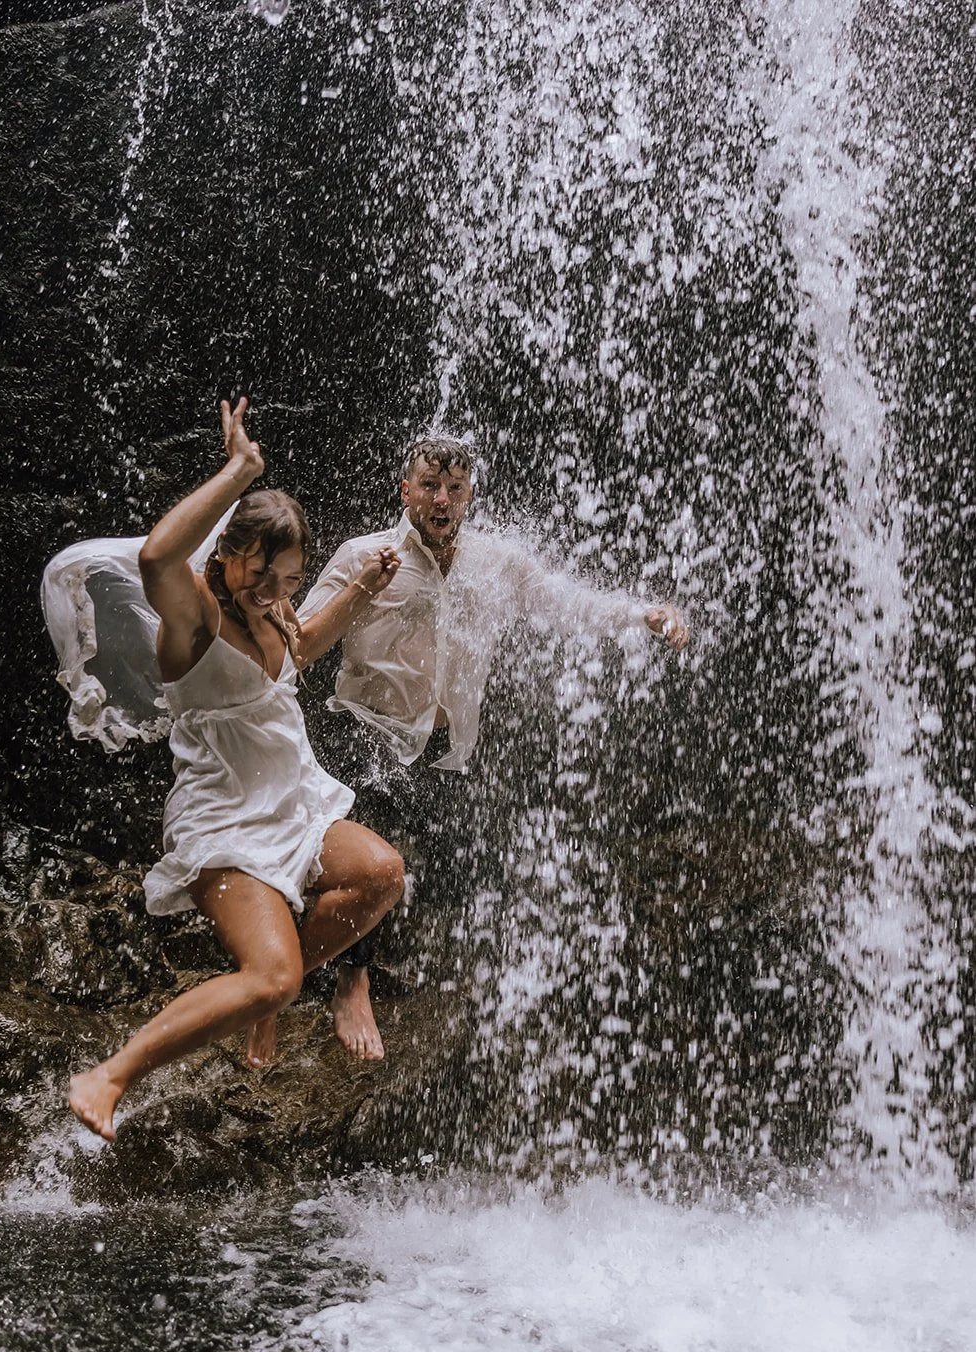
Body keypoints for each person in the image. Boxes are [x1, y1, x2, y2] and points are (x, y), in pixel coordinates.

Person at [68, 399, 405, 1140]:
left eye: (287, 577)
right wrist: (239, 470)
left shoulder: (275, 612)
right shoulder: (193, 619)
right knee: (272, 972)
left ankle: (267, 1007)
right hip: (224, 818)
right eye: (260, 571)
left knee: (381, 874)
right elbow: (156, 555)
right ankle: (110, 1074)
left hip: (295, 805)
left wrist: (357, 591)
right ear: (227, 551)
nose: (272, 590)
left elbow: (305, 647)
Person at [296, 437, 690, 1061]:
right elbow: (299, 642)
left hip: (439, 746)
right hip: (363, 728)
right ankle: (350, 980)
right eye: (429, 486)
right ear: (406, 491)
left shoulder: (495, 562)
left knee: (464, 858)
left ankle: (386, 953)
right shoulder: (365, 556)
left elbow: (564, 602)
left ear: (470, 495)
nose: (441, 500)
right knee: (379, 820)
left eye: (454, 489)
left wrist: (640, 615)